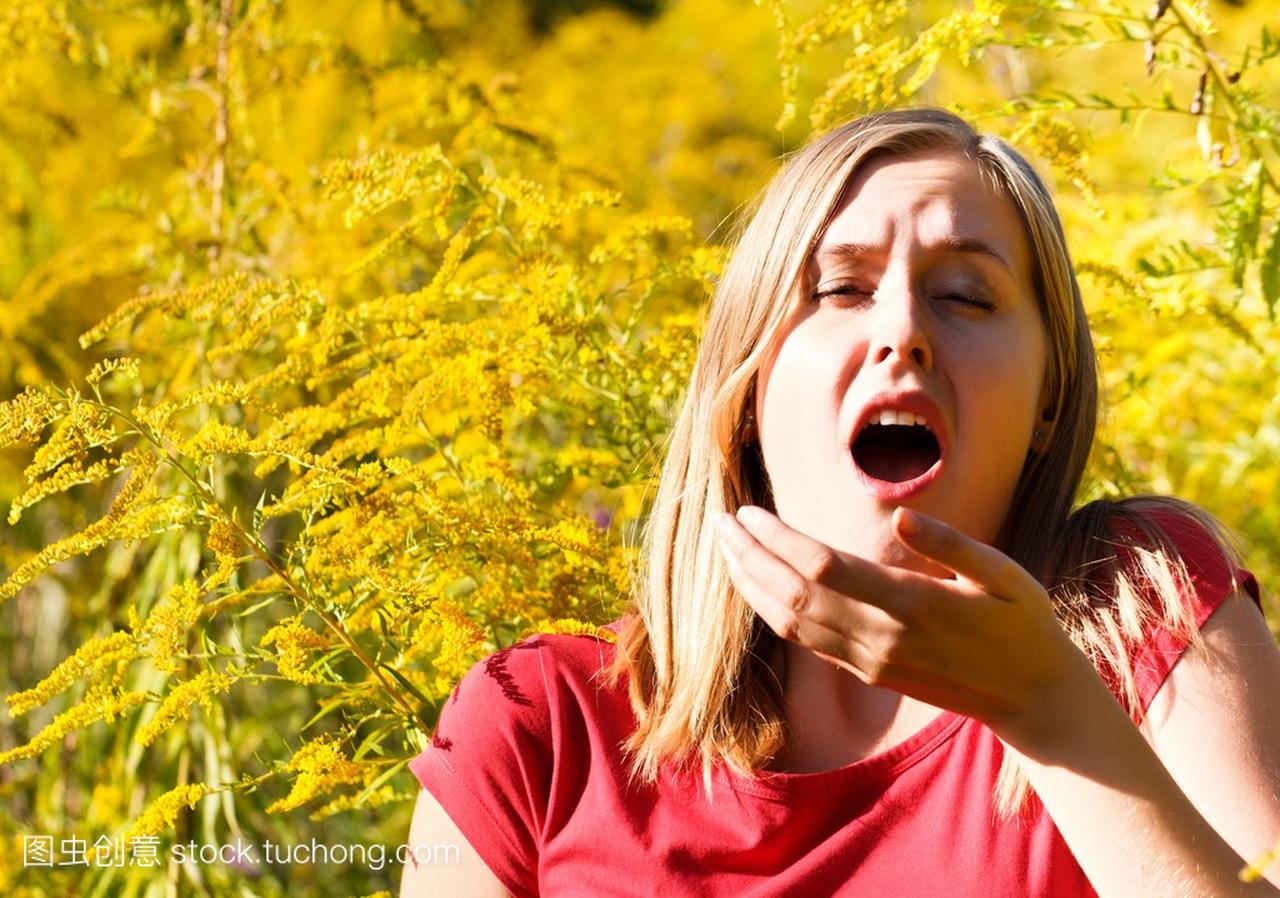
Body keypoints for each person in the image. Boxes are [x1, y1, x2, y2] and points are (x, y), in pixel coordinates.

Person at [398, 107, 1280, 897]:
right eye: (840, 289)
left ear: (1049, 398)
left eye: (967, 295)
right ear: (745, 391)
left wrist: (1046, 709)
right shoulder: (543, 729)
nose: (902, 330)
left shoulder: (1138, 610)